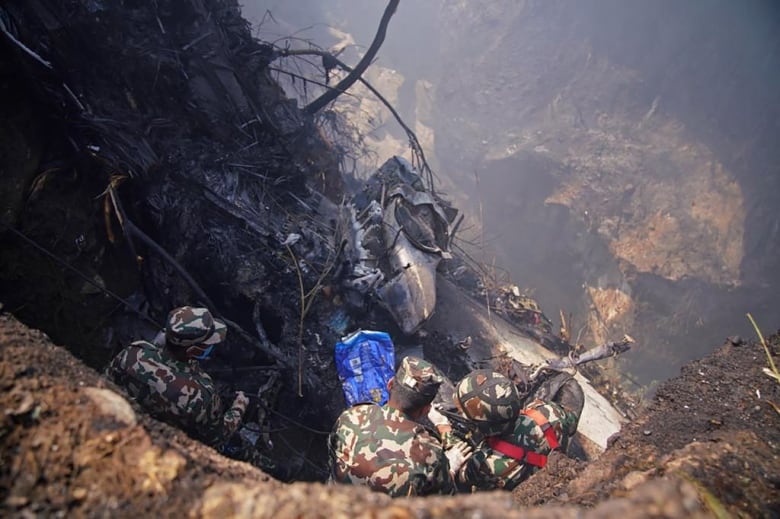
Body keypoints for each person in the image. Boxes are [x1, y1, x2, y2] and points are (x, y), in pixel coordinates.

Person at [328, 356, 472, 497]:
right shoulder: (430, 454)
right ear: (426, 410)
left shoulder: (351, 417)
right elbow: (443, 503)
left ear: (390, 384)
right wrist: (450, 467)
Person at [106, 306, 249, 446]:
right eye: (207, 344)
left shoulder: (133, 352)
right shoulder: (200, 395)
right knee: (240, 447)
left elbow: (107, 380)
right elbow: (217, 438)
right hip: (163, 445)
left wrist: (154, 347)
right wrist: (238, 407)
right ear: (194, 350)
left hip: (119, 422)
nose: (211, 346)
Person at [451, 369, 583, 491]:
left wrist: (447, 438)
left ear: (485, 426)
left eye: (463, 412)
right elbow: (570, 420)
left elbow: (459, 477)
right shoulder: (548, 412)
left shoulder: (483, 463)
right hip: (546, 472)